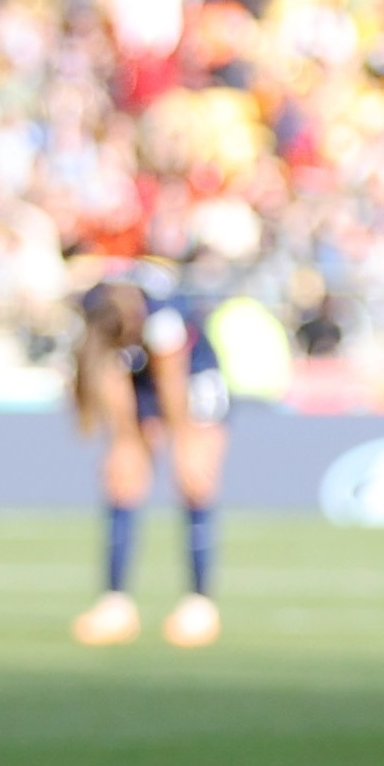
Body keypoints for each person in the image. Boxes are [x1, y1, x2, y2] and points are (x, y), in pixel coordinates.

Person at [67, 271, 226, 648]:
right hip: (139, 375)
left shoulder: (164, 318)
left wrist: (183, 441)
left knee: (193, 480)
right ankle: (115, 604)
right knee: (123, 478)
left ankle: (199, 604)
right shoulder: (97, 305)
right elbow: (108, 373)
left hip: (193, 375)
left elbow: (173, 383)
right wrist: (124, 439)